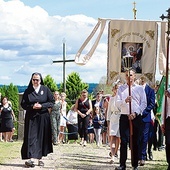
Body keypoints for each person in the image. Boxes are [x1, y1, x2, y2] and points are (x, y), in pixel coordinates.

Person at [21, 72, 54, 168]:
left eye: (37, 80)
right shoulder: (28, 91)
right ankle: (30, 159)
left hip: (43, 117)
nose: (35, 81)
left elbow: (52, 102)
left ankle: (40, 159)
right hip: (31, 117)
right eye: (33, 79)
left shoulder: (45, 89)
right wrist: (32, 106)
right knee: (30, 137)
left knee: (42, 137)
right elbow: (23, 104)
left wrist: (41, 106)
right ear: (31, 80)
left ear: (40, 80)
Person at [115, 69, 147, 170]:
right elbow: (117, 103)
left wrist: (135, 113)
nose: (129, 77)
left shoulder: (140, 89)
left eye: (131, 75)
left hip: (136, 117)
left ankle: (135, 164)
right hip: (124, 116)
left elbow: (144, 103)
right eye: (127, 75)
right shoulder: (121, 89)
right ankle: (122, 164)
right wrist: (125, 101)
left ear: (134, 76)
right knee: (124, 141)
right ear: (125, 77)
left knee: (136, 140)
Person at [138, 76, 155, 166]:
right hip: (137, 116)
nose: (142, 79)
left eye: (144, 78)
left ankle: (142, 157)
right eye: (141, 78)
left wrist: (144, 112)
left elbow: (152, 103)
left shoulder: (150, 90)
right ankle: (137, 156)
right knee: (138, 137)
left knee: (144, 138)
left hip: (146, 116)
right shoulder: (136, 89)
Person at [107, 83, 120, 164]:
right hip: (113, 118)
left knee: (119, 138)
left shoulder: (122, 98)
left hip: (120, 118)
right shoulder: (111, 99)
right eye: (116, 89)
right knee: (112, 137)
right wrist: (108, 121)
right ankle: (112, 155)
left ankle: (115, 152)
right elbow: (109, 111)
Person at [161, 88, 170, 170]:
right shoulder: (168, 90)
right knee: (168, 141)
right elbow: (164, 107)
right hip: (169, 119)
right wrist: (163, 121)